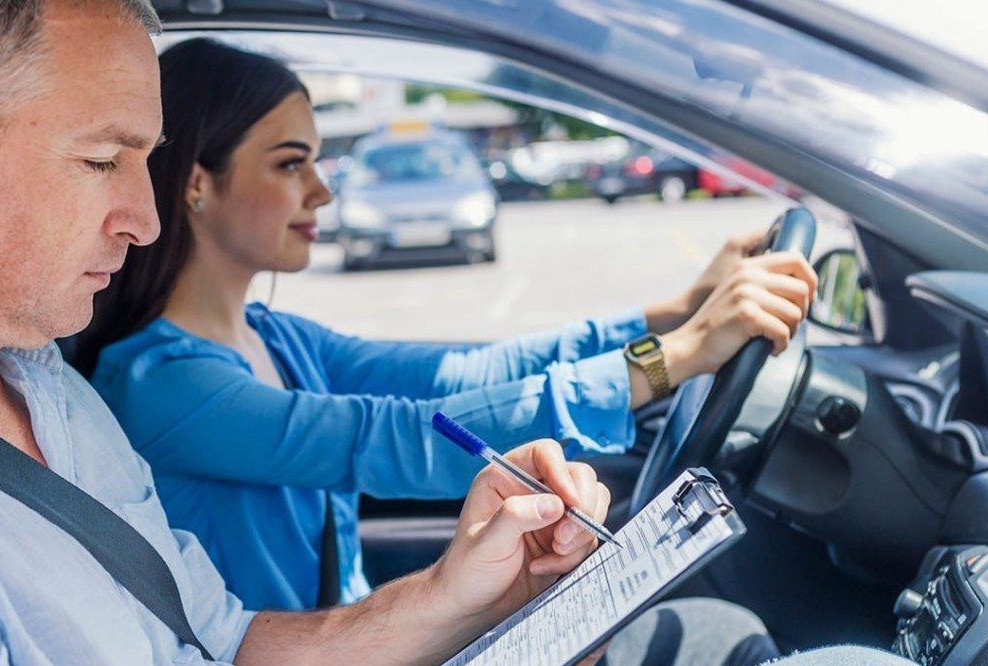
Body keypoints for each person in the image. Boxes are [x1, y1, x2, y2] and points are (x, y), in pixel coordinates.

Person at [0, 2, 965, 666]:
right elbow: (384, 433)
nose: (143, 221)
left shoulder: (36, 389)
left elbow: (236, 651)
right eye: (102, 164)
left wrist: (476, 597)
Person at [76, 37, 819, 612]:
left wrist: (676, 317)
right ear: (198, 183)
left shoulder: (273, 337)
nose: (324, 190)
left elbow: (468, 373)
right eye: (290, 164)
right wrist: (676, 359)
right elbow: (393, 438)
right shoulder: (162, 382)